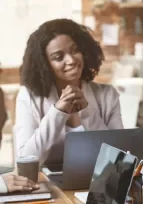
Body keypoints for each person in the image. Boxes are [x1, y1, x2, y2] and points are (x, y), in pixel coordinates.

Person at [13, 19, 123, 166]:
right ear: (44, 65)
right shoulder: (29, 97)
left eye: (75, 50)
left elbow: (119, 158)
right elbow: (25, 160)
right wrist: (58, 112)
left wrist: (87, 112)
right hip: (45, 185)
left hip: (96, 184)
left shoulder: (107, 95)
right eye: (58, 57)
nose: (71, 60)